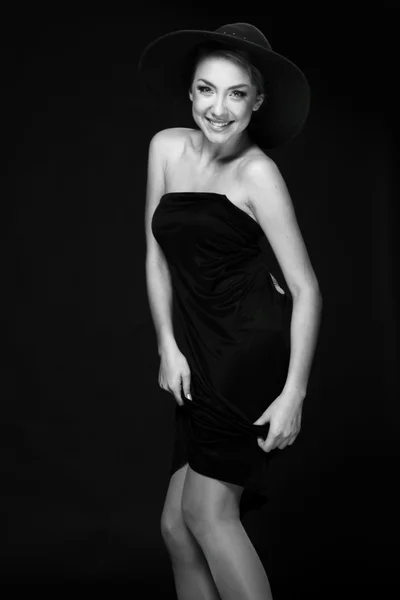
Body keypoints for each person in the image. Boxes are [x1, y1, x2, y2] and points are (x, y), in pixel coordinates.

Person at [139, 22, 322, 600]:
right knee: (176, 527)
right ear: (190, 93)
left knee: (209, 515)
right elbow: (154, 254)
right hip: (195, 342)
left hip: (246, 345)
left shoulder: (257, 173)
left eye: (236, 93)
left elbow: (306, 288)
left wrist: (294, 391)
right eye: (206, 90)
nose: (219, 109)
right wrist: (167, 344)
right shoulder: (165, 147)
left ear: (257, 101)